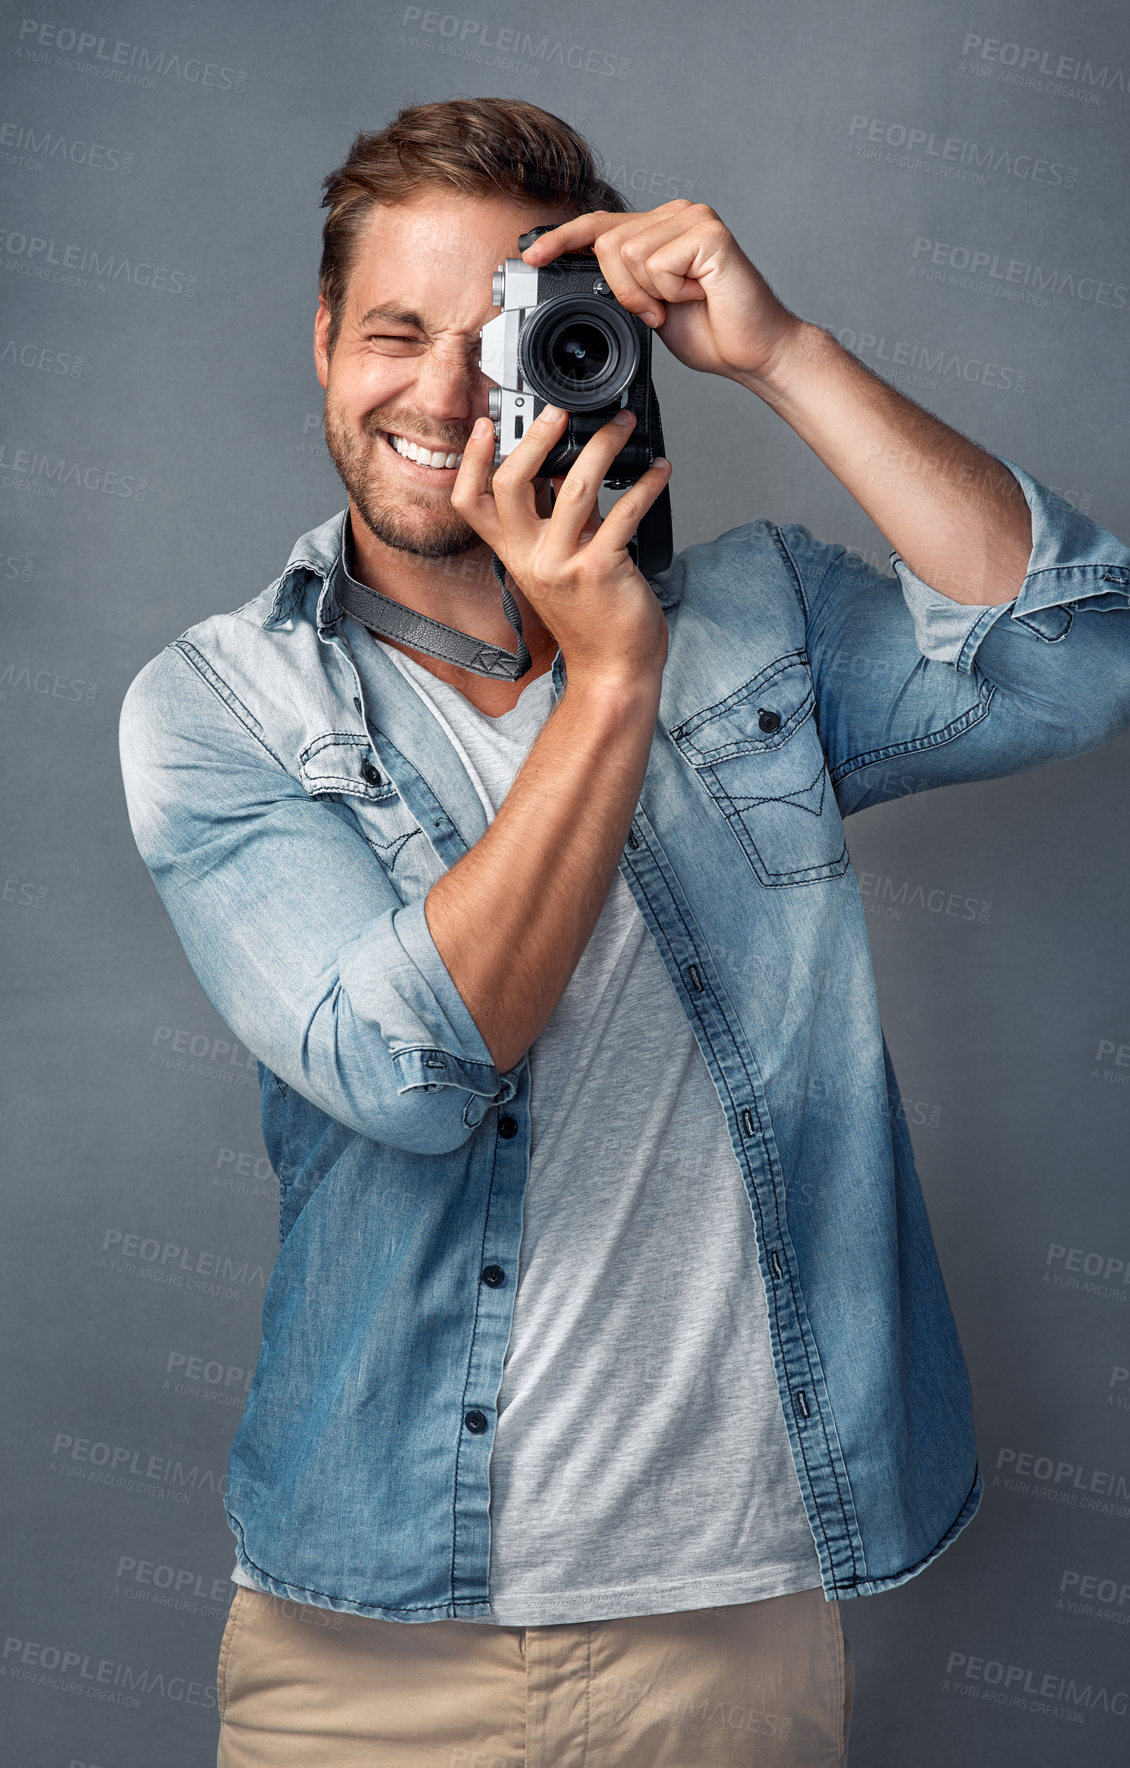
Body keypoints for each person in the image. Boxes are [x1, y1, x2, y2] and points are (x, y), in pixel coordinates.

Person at [117, 96, 1130, 1768]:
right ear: (322, 346)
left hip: (728, 1618)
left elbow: (1073, 662)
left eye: (504, 339)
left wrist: (787, 354)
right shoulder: (221, 708)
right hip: (367, 1643)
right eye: (394, 334)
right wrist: (610, 676)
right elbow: (410, 1071)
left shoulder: (757, 622)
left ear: (603, 353)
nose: (442, 397)